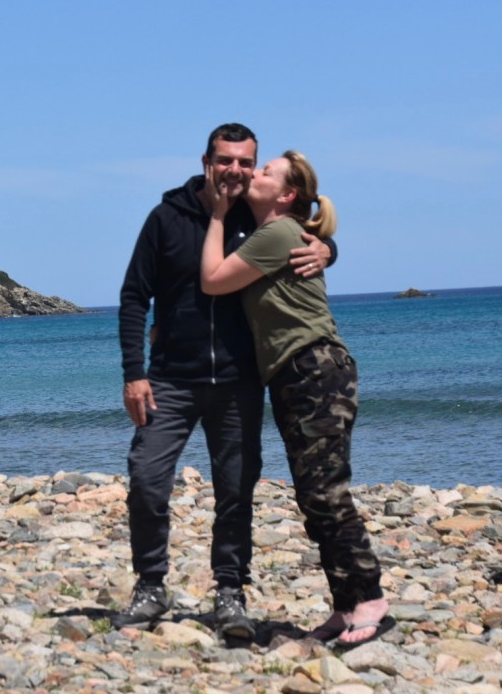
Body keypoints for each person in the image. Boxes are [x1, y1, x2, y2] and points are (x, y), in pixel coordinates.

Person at [114, 124, 335, 638]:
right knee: (146, 479)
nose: (235, 170)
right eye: (225, 160)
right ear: (206, 161)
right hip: (170, 378)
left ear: (253, 167)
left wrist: (329, 249)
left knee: (236, 490)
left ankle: (230, 593)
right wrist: (133, 374)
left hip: (239, 381)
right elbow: (133, 297)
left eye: (245, 162)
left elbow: (303, 228)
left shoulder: (254, 217)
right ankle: (150, 586)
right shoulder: (167, 217)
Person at [199, 149, 391, 648]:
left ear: (286, 194)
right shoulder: (274, 230)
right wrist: (329, 247)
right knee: (313, 494)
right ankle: (346, 604)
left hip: (314, 368)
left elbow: (213, 280)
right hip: (297, 374)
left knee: (325, 492)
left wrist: (217, 216)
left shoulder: (278, 232)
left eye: (265, 171)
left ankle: (370, 599)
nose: (252, 173)